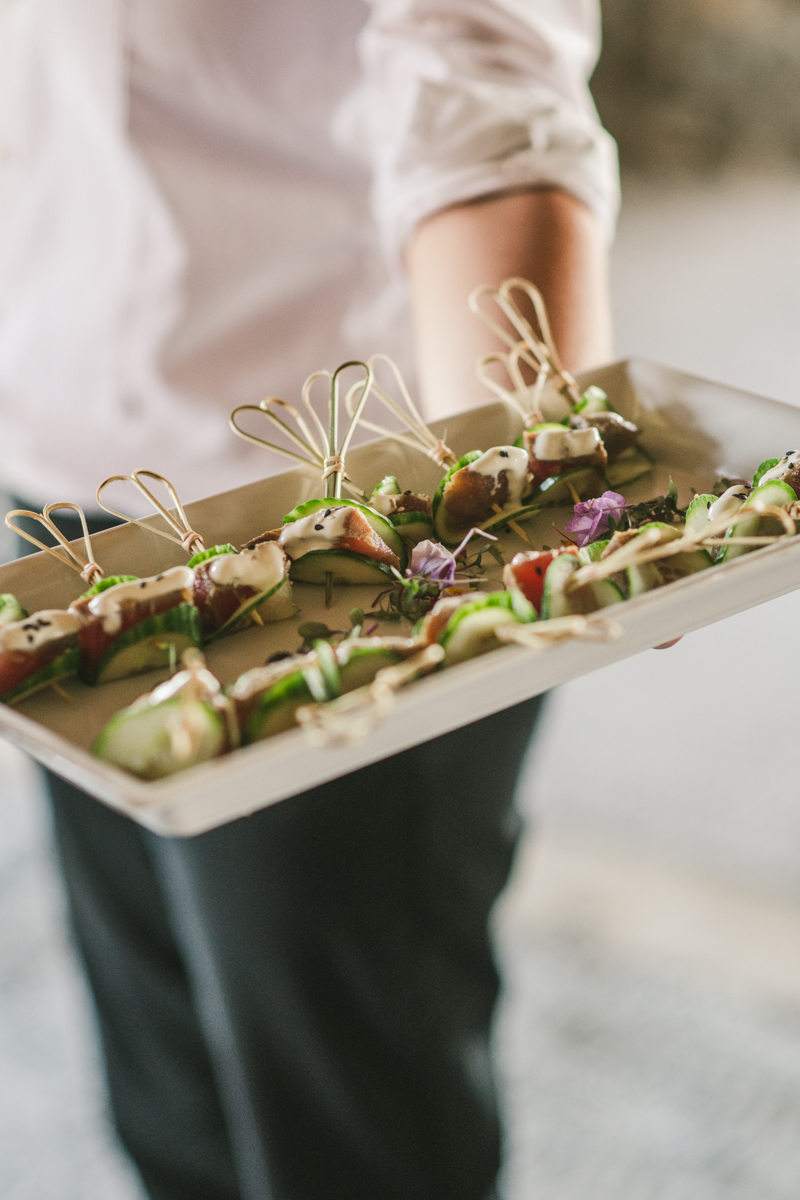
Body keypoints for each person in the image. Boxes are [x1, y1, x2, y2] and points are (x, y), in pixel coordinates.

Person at [0, 3, 618, 1198]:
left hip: (347, 525)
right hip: (54, 496)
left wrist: (520, 500)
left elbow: (477, 85)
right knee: (168, 1094)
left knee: (351, 1123)